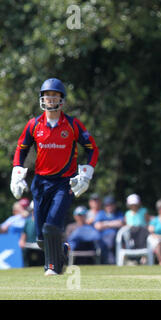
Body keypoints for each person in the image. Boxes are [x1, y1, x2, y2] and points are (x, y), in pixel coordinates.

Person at [10, 78, 99, 276]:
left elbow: (92, 149)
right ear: (42, 99)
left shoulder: (73, 124)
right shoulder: (34, 125)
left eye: (54, 95)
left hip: (63, 182)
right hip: (40, 182)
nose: (50, 99)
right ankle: (62, 251)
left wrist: (86, 174)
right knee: (42, 238)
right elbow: (21, 149)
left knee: (52, 226)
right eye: (47, 95)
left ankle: (52, 267)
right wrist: (17, 171)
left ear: (61, 99)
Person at [94, 195, 124, 264]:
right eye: (107, 205)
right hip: (102, 238)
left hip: (116, 238)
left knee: (112, 236)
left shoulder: (119, 214)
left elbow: (120, 223)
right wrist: (112, 223)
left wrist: (104, 223)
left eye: (111, 204)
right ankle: (109, 261)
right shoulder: (101, 213)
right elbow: (97, 226)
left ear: (115, 205)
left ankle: (109, 261)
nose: (109, 206)